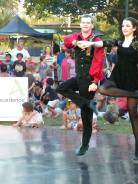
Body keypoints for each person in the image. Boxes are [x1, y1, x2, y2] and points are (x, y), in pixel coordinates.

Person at [79, 17, 138, 160]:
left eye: (127, 26)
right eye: (123, 26)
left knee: (133, 115)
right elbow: (103, 43)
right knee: (103, 89)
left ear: (134, 28)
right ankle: (136, 95)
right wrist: (90, 43)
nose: (124, 28)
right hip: (117, 75)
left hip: (132, 78)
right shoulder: (119, 41)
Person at [56, 14, 104, 156]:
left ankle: (84, 145)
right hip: (78, 77)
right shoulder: (76, 36)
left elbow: (99, 61)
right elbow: (66, 41)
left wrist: (95, 81)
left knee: (86, 116)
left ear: (92, 25)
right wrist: (76, 43)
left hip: (89, 80)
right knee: (61, 88)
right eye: (83, 22)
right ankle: (86, 103)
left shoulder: (96, 40)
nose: (85, 25)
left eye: (88, 23)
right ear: (80, 24)